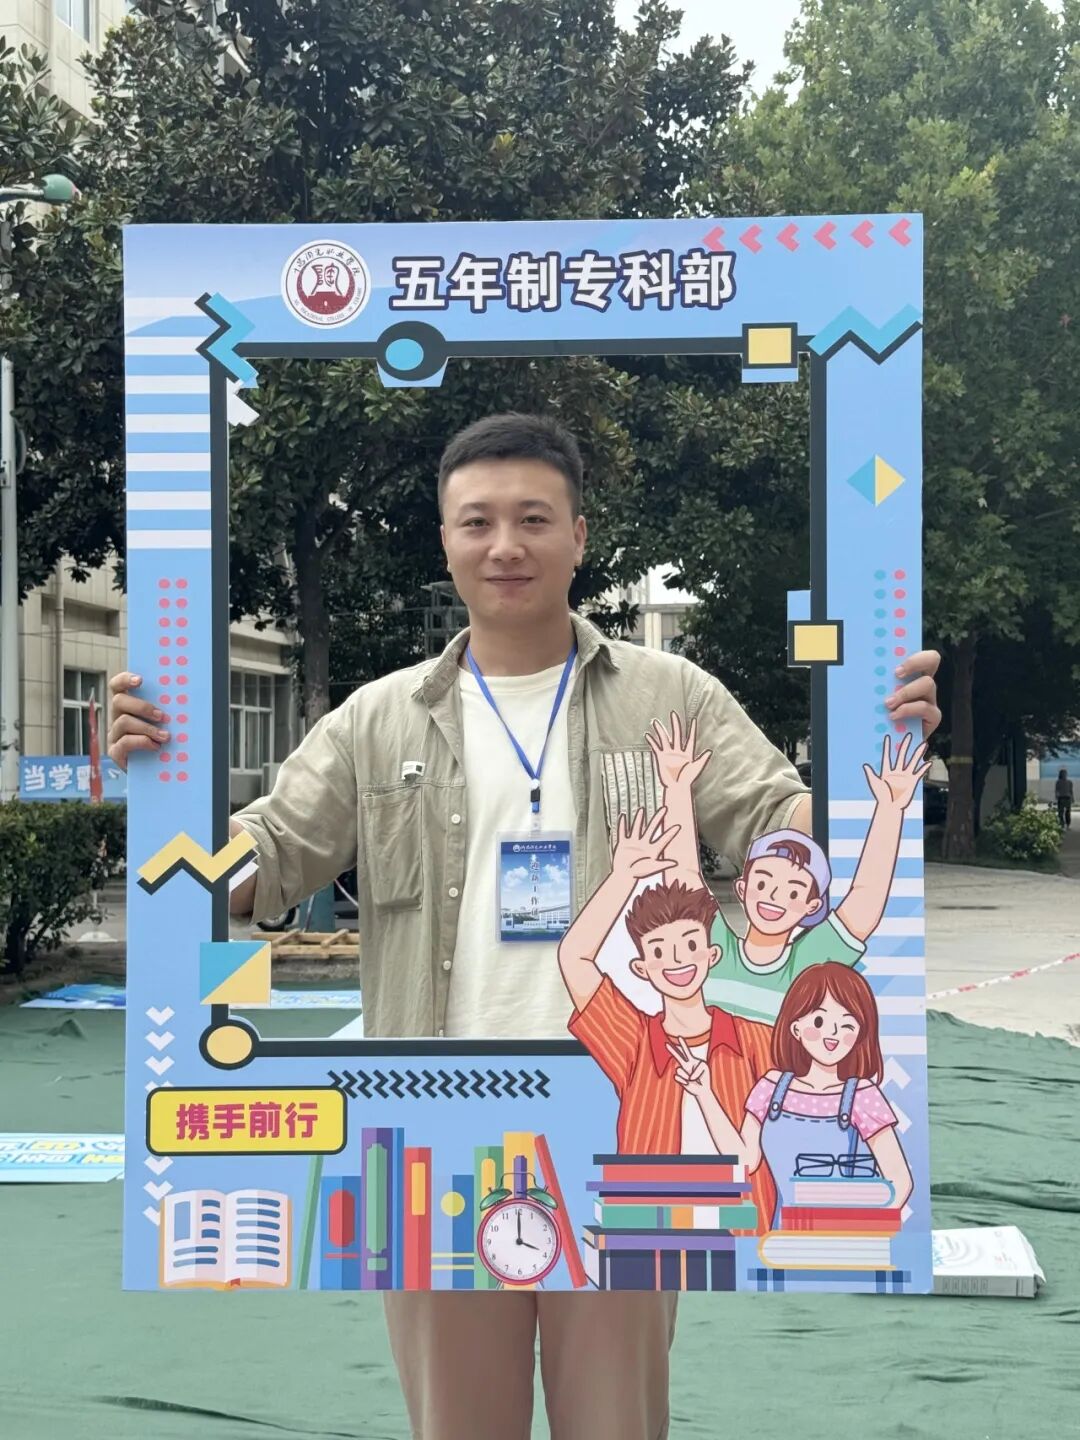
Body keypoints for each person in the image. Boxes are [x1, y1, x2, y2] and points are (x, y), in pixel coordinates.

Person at [108, 412, 941, 1440]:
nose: (505, 545)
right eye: (478, 522)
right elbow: (263, 860)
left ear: (579, 536)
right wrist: (163, 800)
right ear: (446, 539)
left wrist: (879, 757)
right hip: (432, 1131)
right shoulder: (377, 719)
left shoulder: (671, 699)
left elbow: (787, 834)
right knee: (459, 1424)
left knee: (616, 1424)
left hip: (626, 1126)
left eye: (534, 519)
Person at [557, 809, 777, 1234]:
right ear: (641, 967)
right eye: (659, 950)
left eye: (690, 944)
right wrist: (623, 877)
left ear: (711, 954)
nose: (677, 959)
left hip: (742, 1231)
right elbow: (574, 957)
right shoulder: (634, 1042)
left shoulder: (756, 1040)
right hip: (650, 1233)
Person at [650, 718, 930, 1021]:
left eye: (793, 891)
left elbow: (866, 898)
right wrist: (676, 788)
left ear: (812, 905)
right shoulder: (715, 950)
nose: (773, 896)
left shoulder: (807, 962)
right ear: (742, 888)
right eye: (762, 883)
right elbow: (683, 874)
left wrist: (891, 809)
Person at [670, 961, 913, 1224]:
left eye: (847, 1025)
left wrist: (861, 1229)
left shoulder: (862, 1096)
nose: (832, 1033)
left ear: (860, 1035)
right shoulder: (771, 1088)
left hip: (846, 1234)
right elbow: (745, 1161)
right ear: (795, 1027)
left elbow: (900, 1181)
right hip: (784, 1234)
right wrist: (704, 1094)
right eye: (819, 1020)